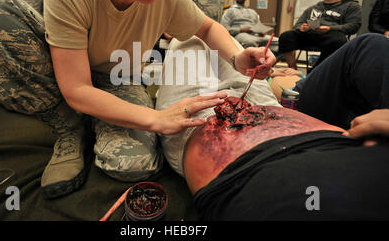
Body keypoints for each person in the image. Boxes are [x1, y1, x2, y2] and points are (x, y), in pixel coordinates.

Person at [0, 0, 275, 199]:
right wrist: (156, 118)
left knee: (132, 165)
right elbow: (76, 88)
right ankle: (68, 126)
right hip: (67, 76)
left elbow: (206, 26)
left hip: (118, 81)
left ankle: (91, 119)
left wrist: (236, 58)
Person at [156, 33, 389, 220]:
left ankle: (176, 31)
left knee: (188, 40)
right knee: (372, 44)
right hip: (276, 110)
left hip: (203, 123)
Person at [278, 0, 362, 70]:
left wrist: (330, 28)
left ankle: (316, 71)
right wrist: (302, 27)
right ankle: (292, 68)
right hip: (310, 35)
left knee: (339, 40)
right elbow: (298, 25)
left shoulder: (350, 6)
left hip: (331, 37)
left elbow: (354, 26)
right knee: (286, 36)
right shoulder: (313, 8)